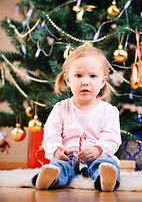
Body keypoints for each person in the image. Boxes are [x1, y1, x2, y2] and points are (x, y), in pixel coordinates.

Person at [31, 45, 121, 192]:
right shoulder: (60, 108)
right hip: (68, 158)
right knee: (59, 166)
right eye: (78, 76)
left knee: (106, 163)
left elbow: (112, 138)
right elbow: (50, 135)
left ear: (103, 81)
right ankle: (48, 179)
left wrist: (98, 149)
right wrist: (56, 151)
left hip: (96, 156)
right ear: (67, 79)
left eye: (92, 76)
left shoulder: (108, 111)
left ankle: (105, 180)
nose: (85, 82)